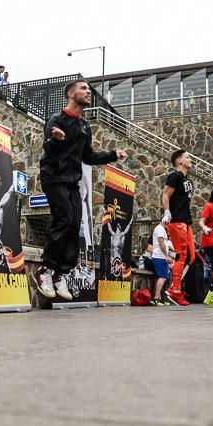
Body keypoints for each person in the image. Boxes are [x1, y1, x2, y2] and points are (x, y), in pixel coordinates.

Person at [34, 79, 127, 300]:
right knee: (63, 219)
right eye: (84, 88)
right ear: (70, 93)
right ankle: (45, 270)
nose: (88, 92)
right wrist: (56, 139)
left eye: (89, 89)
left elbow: (89, 156)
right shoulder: (56, 119)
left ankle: (60, 274)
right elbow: (48, 148)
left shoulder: (84, 127)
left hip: (72, 182)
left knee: (75, 224)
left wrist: (112, 155)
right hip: (54, 178)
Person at [162, 150, 195, 306]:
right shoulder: (175, 176)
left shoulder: (186, 179)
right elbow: (165, 194)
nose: (190, 159)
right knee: (182, 255)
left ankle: (173, 287)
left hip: (186, 221)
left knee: (191, 257)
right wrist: (167, 213)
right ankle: (175, 291)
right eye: (187, 157)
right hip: (177, 221)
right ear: (178, 161)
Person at [150, 222, 173, 306]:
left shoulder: (161, 229)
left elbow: (165, 244)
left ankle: (158, 298)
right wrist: (166, 256)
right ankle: (156, 297)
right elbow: (161, 243)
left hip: (160, 256)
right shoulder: (160, 229)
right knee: (162, 277)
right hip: (160, 256)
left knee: (161, 277)